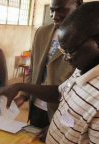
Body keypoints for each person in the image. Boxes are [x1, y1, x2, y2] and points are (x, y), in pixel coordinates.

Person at [0, 2, 99, 144]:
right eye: (64, 51)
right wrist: (20, 86)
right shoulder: (85, 69)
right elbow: (60, 92)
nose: (67, 59)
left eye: (71, 51)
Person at [14, 0, 83, 129]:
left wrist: (61, 122)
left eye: (61, 9)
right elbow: (33, 69)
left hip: (63, 113)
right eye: (52, 10)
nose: (55, 15)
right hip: (36, 106)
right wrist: (24, 95)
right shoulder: (42, 32)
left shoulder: (86, 40)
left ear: (78, 5)